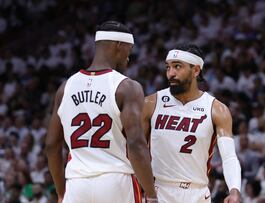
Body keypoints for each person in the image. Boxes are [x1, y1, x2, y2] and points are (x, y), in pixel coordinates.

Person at [45, 21, 157, 203]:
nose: (129, 57)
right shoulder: (127, 86)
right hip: (116, 181)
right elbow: (136, 144)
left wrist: (61, 192)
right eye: (129, 50)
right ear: (118, 45)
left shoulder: (66, 87)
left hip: (77, 183)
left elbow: (51, 146)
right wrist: (151, 194)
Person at [142, 44, 241, 203]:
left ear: (196, 70)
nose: (171, 73)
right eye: (168, 67)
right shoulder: (150, 103)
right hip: (158, 191)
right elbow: (135, 150)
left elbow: (229, 157)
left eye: (177, 67)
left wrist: (234, 190)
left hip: (197, 193)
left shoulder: (216, 110)